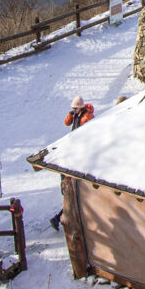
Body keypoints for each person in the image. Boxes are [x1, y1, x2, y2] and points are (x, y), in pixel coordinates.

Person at [50, 96, 95, 229]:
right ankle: (60, 217)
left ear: (80, 107)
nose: (73, 110)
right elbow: (66, 123)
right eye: (72, 108)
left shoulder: (87, 117)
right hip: (74, 146)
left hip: (80, 148)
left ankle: (60, 218)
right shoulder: (76, 115)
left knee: (74, 198)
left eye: (75, 108)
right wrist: (70, 115)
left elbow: (88, 132)